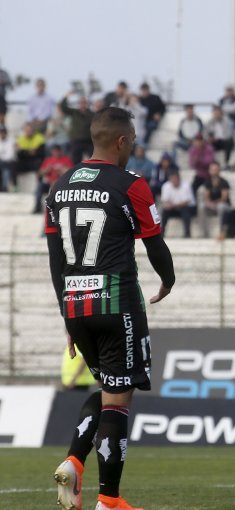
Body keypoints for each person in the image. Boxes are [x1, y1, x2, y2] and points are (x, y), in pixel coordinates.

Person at [47, 106, 175, 510]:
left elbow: (55, 257)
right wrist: (168, 280)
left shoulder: (59, 185)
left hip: (75, 304)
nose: (134, 145)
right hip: (116, 301)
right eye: (133, 139)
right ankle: (109, 500)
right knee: (120, 400)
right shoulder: (130, 183)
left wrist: (66, 313)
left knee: (108, 389)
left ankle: (73, 460)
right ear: (121, 141)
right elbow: (154, 242)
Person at [197, 162, 231, 239]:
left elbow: (224, 198)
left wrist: (214, 203)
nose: (214, 171)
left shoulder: (224, 182)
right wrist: (209, 203)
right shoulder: (208, 182)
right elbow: (206, 197)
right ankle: (204, 232)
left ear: (219, 170)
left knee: (221, 207)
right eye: (212, 169)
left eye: (216, 169)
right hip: (212, 206)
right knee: (202, 207)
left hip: (223, 206)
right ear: (209, 171)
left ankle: (221, 231)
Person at [34, 144, 72, 213]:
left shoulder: (66, 160)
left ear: (60, 151)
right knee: (40, 186)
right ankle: (37, 206)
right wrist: (46, 170)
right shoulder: (48, 160)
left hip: (61, 184)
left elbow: (71, 172)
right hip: (49, 182)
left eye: (57, 151)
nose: (55, 153)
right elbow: (40, 173)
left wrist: (62, 169)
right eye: (54, 151)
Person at [60, 91, 95, 163]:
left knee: (93, 158)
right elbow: (63, 107)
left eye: (84, 102)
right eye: (81, 102)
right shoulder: (74, 112)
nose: (82, 104)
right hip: (76, 141)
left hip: (88, 141)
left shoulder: (92, 114)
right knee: (75, 160)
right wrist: (66, 97)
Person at [160, 171, 195, 238]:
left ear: (179, 179)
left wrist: (173, 205)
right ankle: (162, 232)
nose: (174, 181)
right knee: (165, 211)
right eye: (172, 179)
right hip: (173, 208)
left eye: (176, 179)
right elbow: (165, 200)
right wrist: (169, 205)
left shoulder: (186, 185)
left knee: (185, 211)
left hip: (186, 208)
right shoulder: (166, 186)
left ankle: (187, 233)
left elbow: (187, 201)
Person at [0, 126, 15, 192]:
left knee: (6, 169)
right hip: (2, 163)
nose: (2, 134)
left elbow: (10, 155)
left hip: (8, 162)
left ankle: (4, 186)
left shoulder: (10, 142)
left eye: (3, 133)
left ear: (6, 133)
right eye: (1, 133)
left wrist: (2, 158)